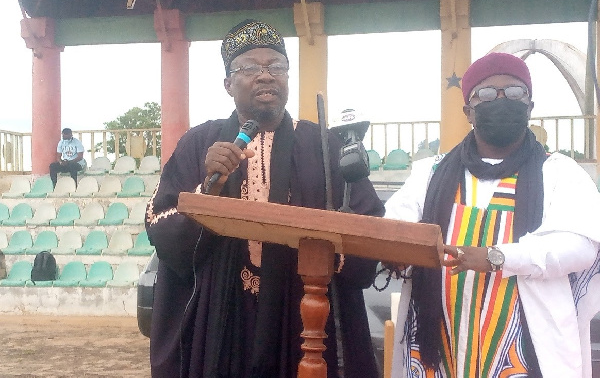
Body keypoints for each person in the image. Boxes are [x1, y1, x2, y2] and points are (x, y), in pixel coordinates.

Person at [145, 19, 385, 378]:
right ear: (228, 84)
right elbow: (160, 224)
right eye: (250, 68)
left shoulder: (323, 144)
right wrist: (209, 187)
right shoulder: (199, 143)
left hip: (303, 311)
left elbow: (368, 226)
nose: (266, 76)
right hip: (222, 312)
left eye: (277, 67)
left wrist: (326, 253)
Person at [384, 52, 600, 377]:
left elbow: (580, 247)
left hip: (523, 350)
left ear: (529, 105)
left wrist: (497, 257)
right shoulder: (430, 173)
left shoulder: (559, 172)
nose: (501, 100)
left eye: (514, 92)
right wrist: (396, 253)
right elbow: (392, 231)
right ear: (468, 111)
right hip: (439, 343)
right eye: (486, 94)